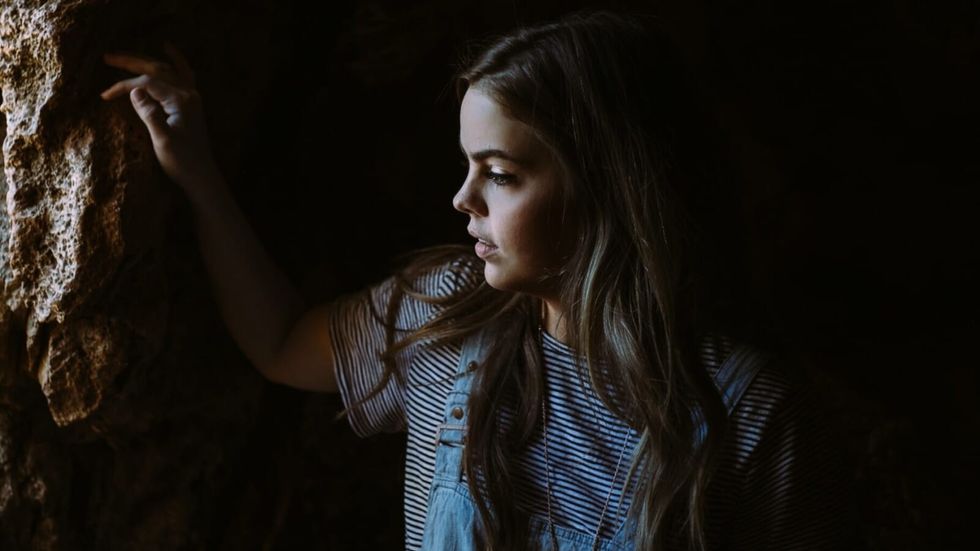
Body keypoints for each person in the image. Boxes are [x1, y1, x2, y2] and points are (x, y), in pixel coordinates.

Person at [101, 10, 854, 551]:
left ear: (609, 186)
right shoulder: (444, 311)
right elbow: (278, 342)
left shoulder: (750, 413)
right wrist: (197, 176)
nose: (462, 198)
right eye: (468, 166)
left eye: (500, 173)